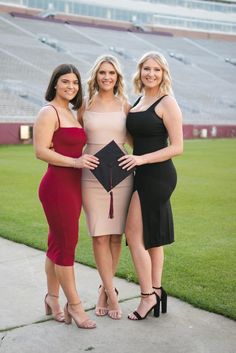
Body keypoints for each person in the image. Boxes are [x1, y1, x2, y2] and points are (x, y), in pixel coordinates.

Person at [119, 51, 183, 320]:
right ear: (140, 71)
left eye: (157, 70)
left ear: (163, 73)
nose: (151, 74)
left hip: (158, 175)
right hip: (141, 173)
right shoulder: (139, 99)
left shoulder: (167, 102)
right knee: (154, 239)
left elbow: (177, 147)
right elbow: (139, 140)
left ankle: (147, 297)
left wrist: (141, 159)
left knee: (134, 236)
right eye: (147, 69)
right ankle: (156, 290)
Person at [34, 63, 99, 329]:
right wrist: (75, 163)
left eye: (75, 82)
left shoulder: (72, 113)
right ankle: (75, 306)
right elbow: (40, 151)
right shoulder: (48, 112)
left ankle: (52, 298)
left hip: (74, 186)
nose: (71, 86)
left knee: (56, 244)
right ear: (55, 84)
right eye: (65, 82)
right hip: (57, 186)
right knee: (66, 246)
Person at [78, 55, 133, 320]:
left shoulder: (125, 104)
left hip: (122, 176)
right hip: (91, 176)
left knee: (115, 236)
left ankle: (105, 290)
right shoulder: (84, 105)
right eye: (102, 73)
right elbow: (73, 136)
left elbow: (135, 140)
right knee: (99, 235)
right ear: (96, 76)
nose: (107, 77)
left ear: (117, 77)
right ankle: (112, 293)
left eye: (111, 73)